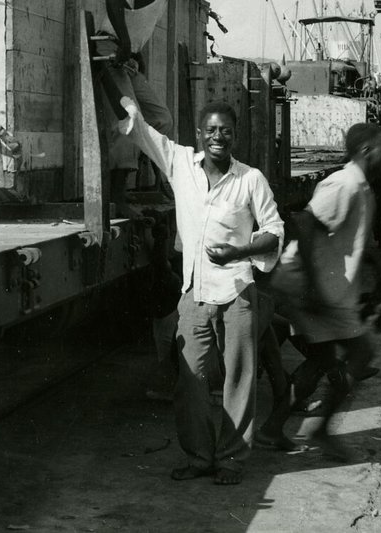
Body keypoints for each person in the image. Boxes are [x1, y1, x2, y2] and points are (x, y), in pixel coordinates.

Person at [101, 76, 283, 486]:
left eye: (226, 131)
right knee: (190, 379)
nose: (219, 136)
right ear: (201, 135)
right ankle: (200, 456)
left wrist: (240, 252)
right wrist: (113, 77)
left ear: (234, 137)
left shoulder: (250, 179)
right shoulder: (181, 163)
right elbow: (142, 130)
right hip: (195, 292)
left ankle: (231, 460)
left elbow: (274, 231)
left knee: (239, 377)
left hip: (237, 290)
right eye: (212, 130)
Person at [276, 124, 381, 462]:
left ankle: (275, 428)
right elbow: (305, 224)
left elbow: (349, 236)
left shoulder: (360, 187)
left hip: (326, 288)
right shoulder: (344, 185)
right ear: (365, 151)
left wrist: (376, 265)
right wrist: (312, 289)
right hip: (309, 285)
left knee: (324, 360)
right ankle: (320, 430)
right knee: (358, 355)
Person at [101, 0, 214, 205]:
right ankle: (116, 198)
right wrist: (126, 44)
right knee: (129, 118)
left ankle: (159, 181)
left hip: (125, 57)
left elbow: (135, 20)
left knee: (161, 119)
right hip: (109, 50)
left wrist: (135, 51)